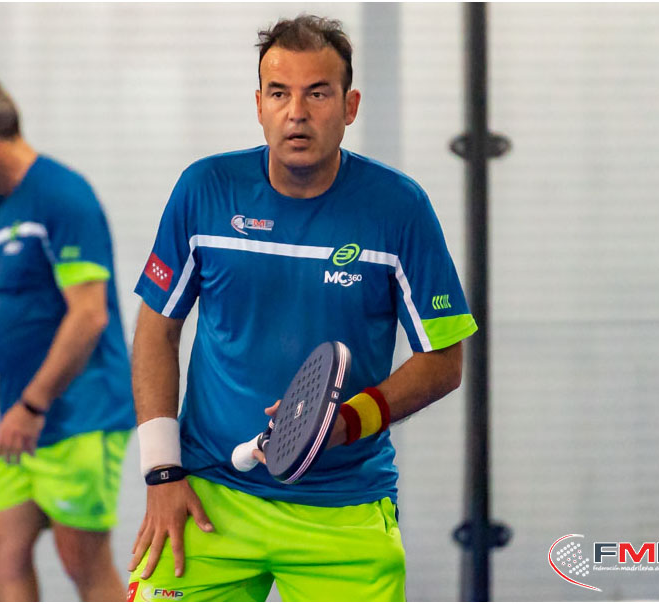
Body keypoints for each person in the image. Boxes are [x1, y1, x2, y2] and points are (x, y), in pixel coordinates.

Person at [127, 15, 478, 602]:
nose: (297, 113)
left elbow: (444, 361)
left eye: (318, 93)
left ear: (349, 106)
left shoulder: (400, 209)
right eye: (279, 93)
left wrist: (348, 422)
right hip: (207, 497)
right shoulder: (203, 190)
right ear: (259, 105)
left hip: (344, 508)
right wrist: (162, 473)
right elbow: (155, 332)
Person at [0, 75, 135, 601]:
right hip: (20, 423)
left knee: (83, 562)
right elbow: (3, 327)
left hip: (79, 417)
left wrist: (31, 406)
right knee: (1, 551)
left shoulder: (63, 197)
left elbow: (89, 316)